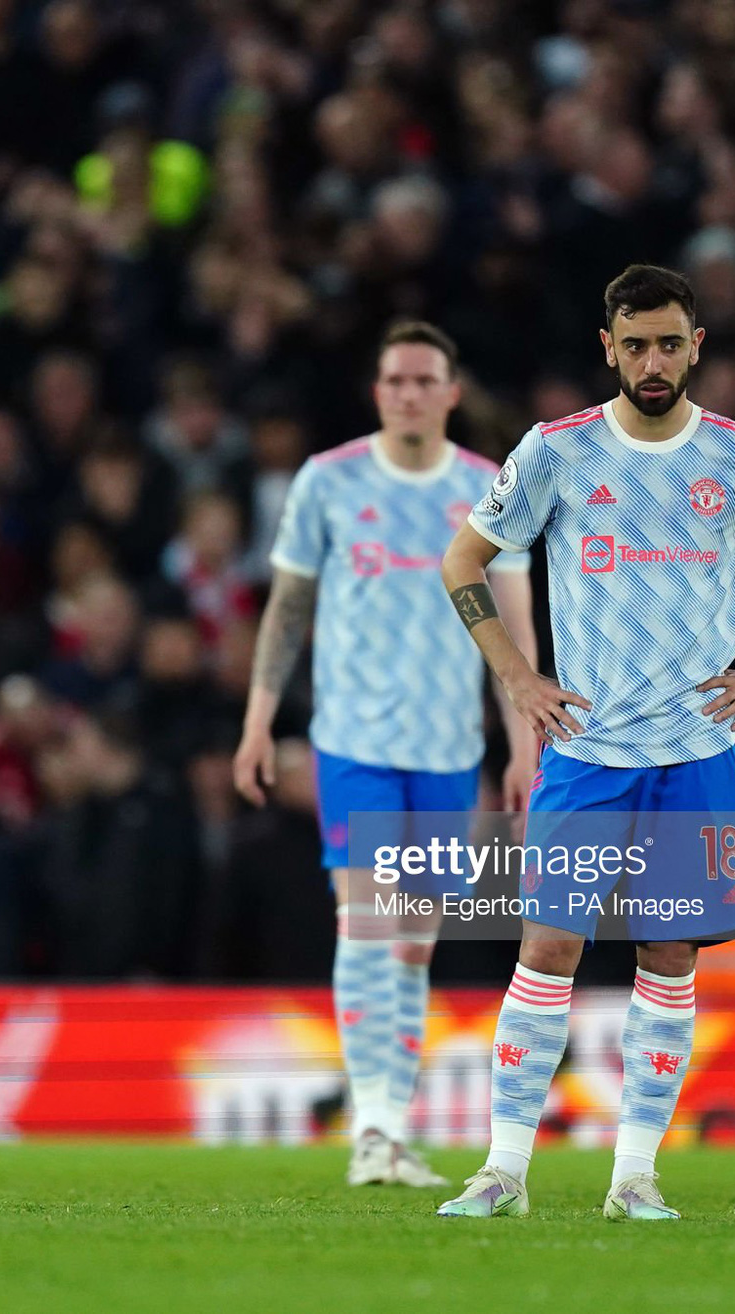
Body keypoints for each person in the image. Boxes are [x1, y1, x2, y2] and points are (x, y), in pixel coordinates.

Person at [437, 265, 735, 1222]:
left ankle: (635, 1179)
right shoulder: (557, 452)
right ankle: (502, 1172)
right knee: (547, 953)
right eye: (635, 344)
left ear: (696, 345)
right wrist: (516, 676)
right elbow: (465, 559)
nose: (652, 361)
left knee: (669, 960)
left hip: (697, 753)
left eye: (669, 343)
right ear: (607, 346)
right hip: (585, 753)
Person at [233, 321, 538, 1188]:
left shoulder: (489, 490)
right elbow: (287, 607)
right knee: (368, 921)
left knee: (413, 943)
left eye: (424, 380)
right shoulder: (328, 482)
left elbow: (515, 626)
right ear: (378, 391)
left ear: (451, 392)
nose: (408, 393)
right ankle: (369, 1129)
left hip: (446, 750)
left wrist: (522, 744)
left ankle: (388, 1132)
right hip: (354, 742)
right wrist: (258, 721)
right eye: (394, 379)